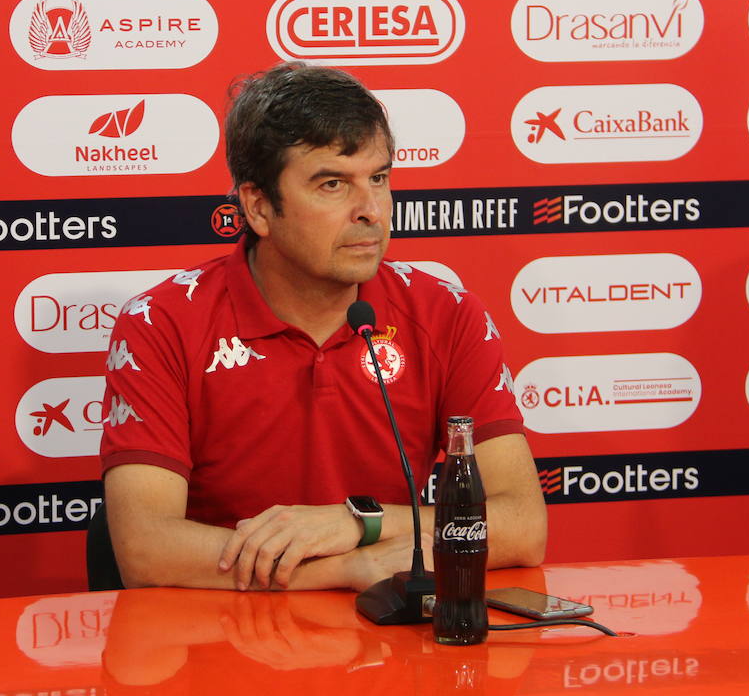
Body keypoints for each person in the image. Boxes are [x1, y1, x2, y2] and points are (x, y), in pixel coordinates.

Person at [99, 61, 546, 592]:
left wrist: (358, 521)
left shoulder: (446, 313)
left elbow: (522, 525)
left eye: (378, 179)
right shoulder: (162, 322)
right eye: (333, 184)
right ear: (259, 207)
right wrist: (348, 567)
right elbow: (145, 548)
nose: (371, 211)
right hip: (224, 641)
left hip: (389, 652)